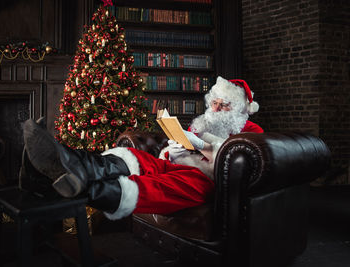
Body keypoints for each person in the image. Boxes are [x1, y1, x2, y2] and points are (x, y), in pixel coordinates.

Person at [22, 76, 263, 221]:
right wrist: (174, 147)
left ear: (240, 109)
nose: (217, 109)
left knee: (172, 185)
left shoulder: (252, 131)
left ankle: (51, 179)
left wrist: (202, 144)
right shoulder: (202, 122)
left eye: (224, 105)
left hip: (207, 179)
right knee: (135, 157)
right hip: (174, 164)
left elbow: (237, 159)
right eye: (215, 103)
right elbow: (180, 147)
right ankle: (71, 163)